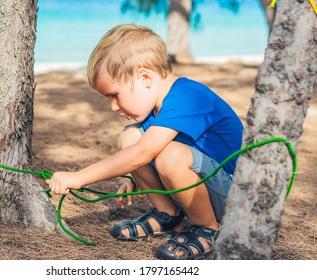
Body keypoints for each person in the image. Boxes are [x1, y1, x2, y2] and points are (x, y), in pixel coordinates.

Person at [46, 23, 243, 260]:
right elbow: (141, 150)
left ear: (145, 77)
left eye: (114, 95)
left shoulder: (189, 97)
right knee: (129, 137)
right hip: (211, 189)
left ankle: (208, 229)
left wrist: (79, 177)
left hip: (236, 200)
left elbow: (144, 153)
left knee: (168, 155)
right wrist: (136, 177)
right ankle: (168, 215)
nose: (113, 107)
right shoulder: (156, 109)